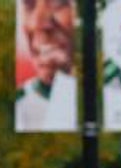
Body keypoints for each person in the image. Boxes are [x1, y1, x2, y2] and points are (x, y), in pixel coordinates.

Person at [16, 0, 77, 132]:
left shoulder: (119, 93)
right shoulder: (18, 104)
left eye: (58, 3)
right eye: (29, 5)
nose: (37, 24)